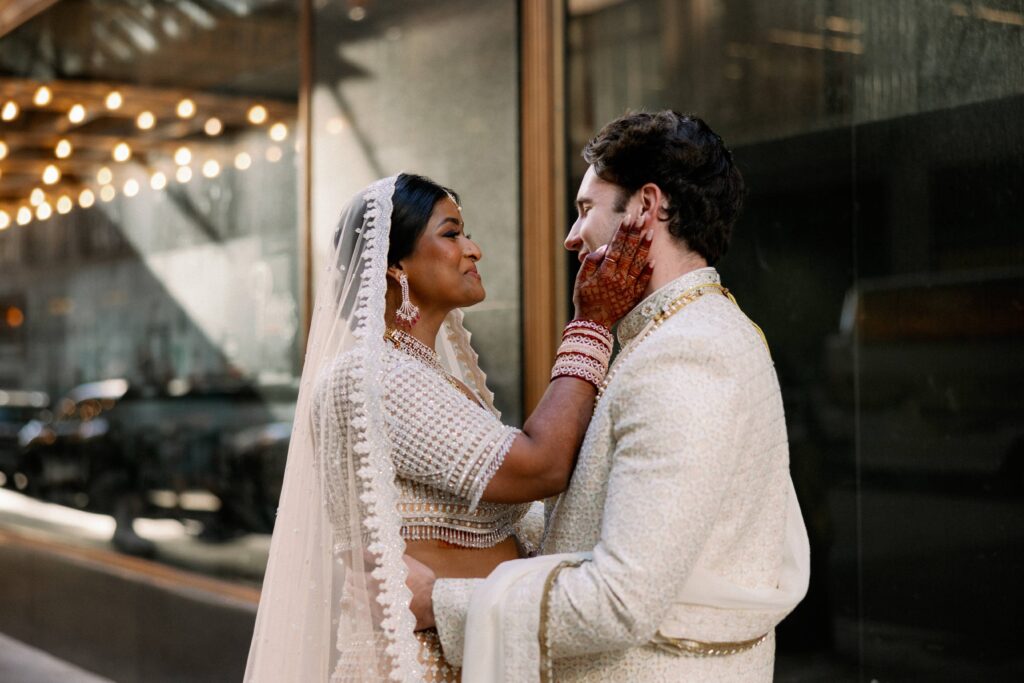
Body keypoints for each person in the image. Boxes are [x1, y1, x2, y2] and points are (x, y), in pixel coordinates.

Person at [414, 111, 811, 682]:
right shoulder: (697, 334)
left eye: (585, 210)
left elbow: (620, 600)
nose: (572, 238)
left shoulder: (683, 356)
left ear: (645, 209)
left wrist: (440, 602)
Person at [243, 173, 652, 682]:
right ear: (395, 266)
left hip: (466, 652)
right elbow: (540, 467)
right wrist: (591, 323)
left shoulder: (427, 376)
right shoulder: (371, 376)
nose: (474, 249)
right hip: (420, 664)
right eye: (451, 233)